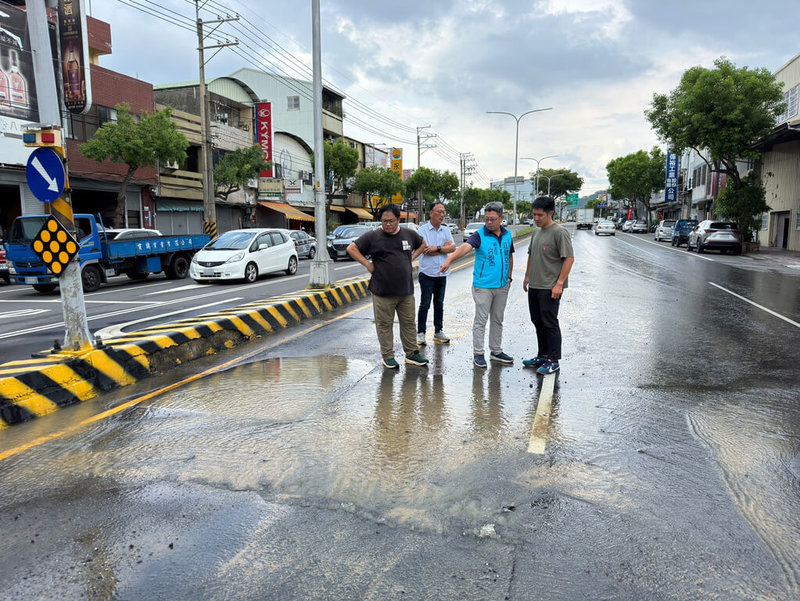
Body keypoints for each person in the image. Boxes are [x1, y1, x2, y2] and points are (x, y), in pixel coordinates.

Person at [347, 204, 429, 369]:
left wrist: (410, 258)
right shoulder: (373, 236)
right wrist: (368, 265)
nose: (387, 224)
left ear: (399, 220)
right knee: (384, 325)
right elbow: (352, 248)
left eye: (391, 221)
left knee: (408, 323)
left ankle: (412, 353)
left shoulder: (409, 234)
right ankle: (388, 356)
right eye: (384, 221)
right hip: (383, 291)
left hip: (406, 291)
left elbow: (422, 244)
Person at [438, 201, 514, 368]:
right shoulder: (480, 235)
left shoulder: (507, 234)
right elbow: (465, 247)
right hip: (483, 287)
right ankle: (478, 353)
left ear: (501, 218)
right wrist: (449, 259)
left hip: (502, 286)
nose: (489, 222)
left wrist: (509, 277)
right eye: (486, 219)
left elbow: (509, 255)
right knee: (481, 320)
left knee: (498, 319)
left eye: (492, 219)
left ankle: (496, 351)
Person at [522, 196, 575, 375]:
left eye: (540, 215)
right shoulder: (536, 232)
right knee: (537, 321)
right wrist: (527, 276)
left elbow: (569, 258)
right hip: (535, 285)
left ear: (550, 213)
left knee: (549, 323)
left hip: (550, 287)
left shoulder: (559, 232)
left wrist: (559, 283)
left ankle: (553, 359)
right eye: (534, 215)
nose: (536, 218)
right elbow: (531, 255)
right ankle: (542, 355)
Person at [416, 201, 456, 346]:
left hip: (442, 273)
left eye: (443, 212)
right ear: (431, 213)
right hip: (427, 273)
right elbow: (425, 250)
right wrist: (441, 248)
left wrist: (437, 248)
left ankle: (438, 331)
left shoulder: (445, 230)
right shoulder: (422, 230)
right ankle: (421, 333)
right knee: (425, 303)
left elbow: (452, 248)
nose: (442, 215)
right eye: (439, 211)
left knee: (439, 303)